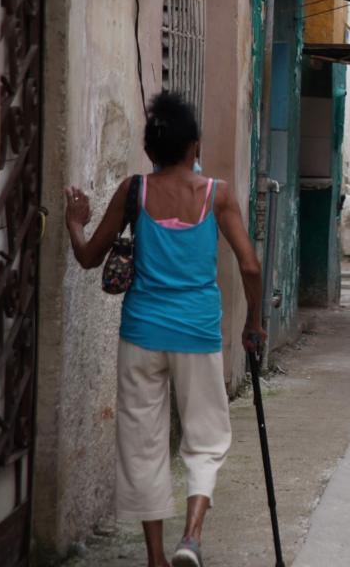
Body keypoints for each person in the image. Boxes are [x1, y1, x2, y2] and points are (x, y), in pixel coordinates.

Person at [63, 92, 264, 567]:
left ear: (151, 149)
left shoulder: (135, 190)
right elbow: (250, 266)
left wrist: (75, 223)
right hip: (196, 334)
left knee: (142, 444)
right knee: (207, 437)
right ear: (195, 146)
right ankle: (191, 536)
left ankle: (155, 557)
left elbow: (89, 256)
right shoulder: (217, 194)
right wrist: (253, 323)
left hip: (141, 336)